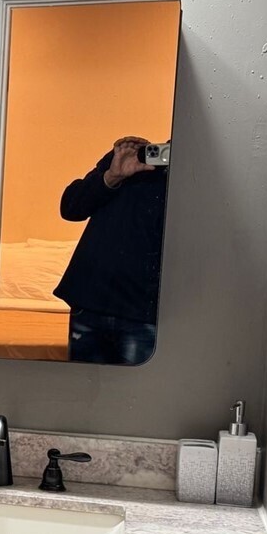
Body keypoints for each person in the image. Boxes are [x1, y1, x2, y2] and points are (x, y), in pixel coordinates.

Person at [53, 135, 167, 364]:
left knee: (133, 396)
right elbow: (71, 208)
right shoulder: (133, 158)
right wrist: (112, 176)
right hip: (91, 302)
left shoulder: (197, 184)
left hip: (144, 312)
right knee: (83, 392)